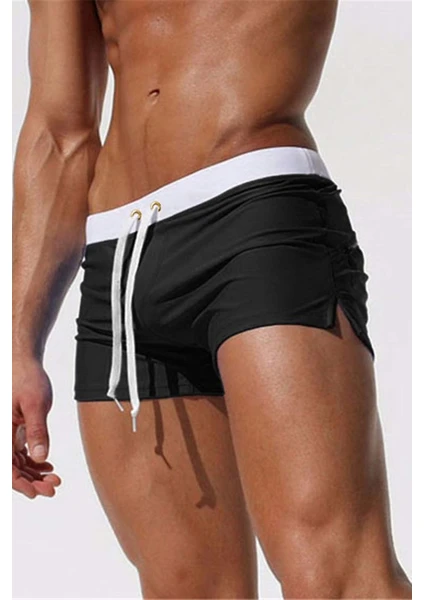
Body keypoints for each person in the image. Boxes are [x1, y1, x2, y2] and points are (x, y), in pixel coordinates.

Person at [12, 0, 411, 598]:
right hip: (119, 262)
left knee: (337, 577)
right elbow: (58, 131)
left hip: (254, 216)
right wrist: (21, 345)